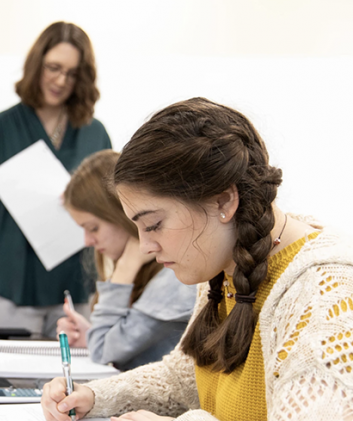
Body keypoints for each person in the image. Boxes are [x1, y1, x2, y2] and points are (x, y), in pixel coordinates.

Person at [41, 98, 353, 420]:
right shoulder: (222, 267)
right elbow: (184, 381)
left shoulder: (325, 293)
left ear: (223, 200)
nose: (145, 246)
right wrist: (94, 396)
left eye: (154, 225)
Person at [0, 21, 112, 337]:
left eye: (71, 73)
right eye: (53, 68)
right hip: (9, 287)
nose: (60, 80)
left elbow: (113, 212)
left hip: (73, 289)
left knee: (70, 383)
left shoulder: (95, 133)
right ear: (36, 64)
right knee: (11, 384)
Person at [58, 150, 195, 371]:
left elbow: (102, 350)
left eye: (93, 228)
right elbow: (107, 345)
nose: (87, 241)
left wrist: (126, 268)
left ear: (122, 216)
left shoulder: (174, 280)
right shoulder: (156, 273)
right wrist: (90, 335)